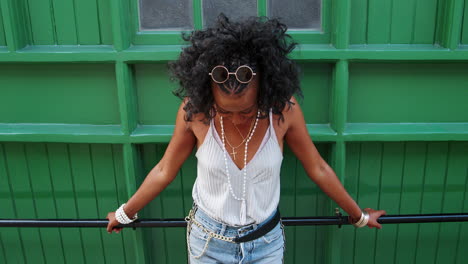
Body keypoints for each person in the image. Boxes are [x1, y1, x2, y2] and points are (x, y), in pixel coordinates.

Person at [106, 14, 386, 263]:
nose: (236, 117)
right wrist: (124, 213)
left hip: (266, 244)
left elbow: (318, 167)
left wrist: (358, 216)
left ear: (265, 89)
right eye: (225, 111)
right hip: (207, 244)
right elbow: (164, 169)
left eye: (247, 110)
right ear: (207, 91)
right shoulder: (195, 113)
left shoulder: (283, 111)